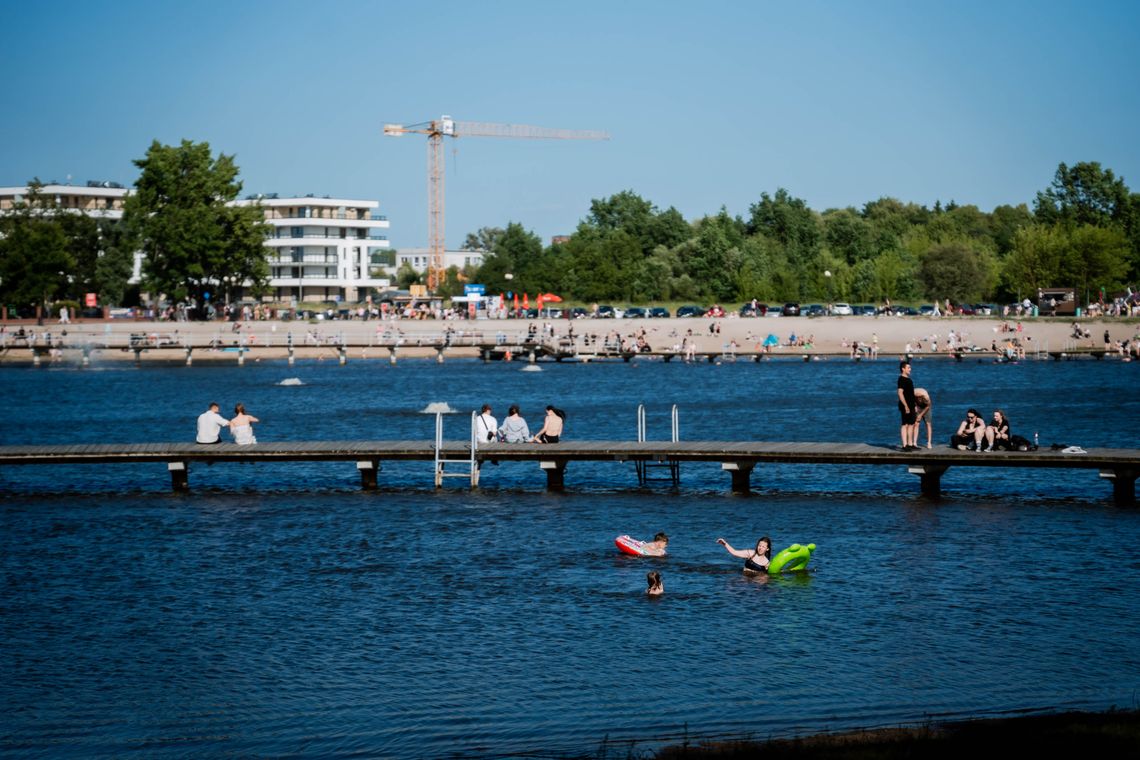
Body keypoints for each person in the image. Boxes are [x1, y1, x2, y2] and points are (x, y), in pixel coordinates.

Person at [896, 361, 918, 450]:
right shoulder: (901, 379)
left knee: (911, 424)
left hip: (911, 405)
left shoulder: (909, 379)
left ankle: (910, 444)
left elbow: (911, 394)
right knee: (904, 424)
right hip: (905, 406)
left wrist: (914, 405)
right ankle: (904, 445)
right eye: (908, 368)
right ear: (903, 369)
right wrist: (905, 405)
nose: (910, 369)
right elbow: (900, 393)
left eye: (910, 367)